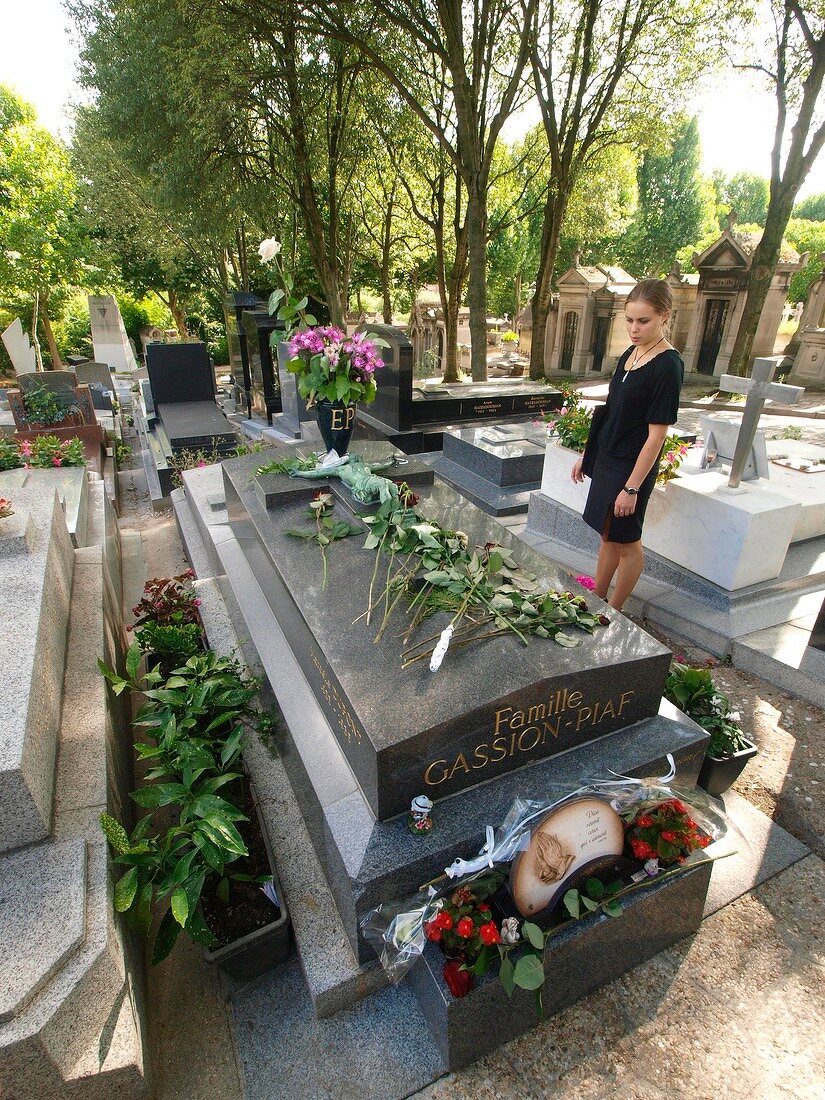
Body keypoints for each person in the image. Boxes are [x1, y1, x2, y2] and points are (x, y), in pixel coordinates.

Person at [571, 279, 684, 611]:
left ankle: (615, 611)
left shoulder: (667, 366)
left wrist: (632, 488)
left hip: (632, 467)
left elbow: (656, 436)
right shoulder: (631, 353)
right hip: (609, 457)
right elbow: (612, 409)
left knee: (627, 543)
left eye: (643, 321)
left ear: (664, 316)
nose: (634, 329)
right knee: (607, 534)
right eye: (630, 320)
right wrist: (587, 454)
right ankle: (598, 596)